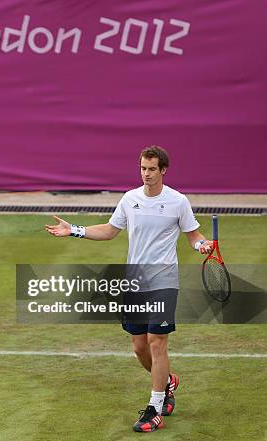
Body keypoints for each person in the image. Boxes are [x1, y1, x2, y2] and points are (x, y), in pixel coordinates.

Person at [45, 145, 213, 432]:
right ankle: (168, 382)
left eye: (151, 169)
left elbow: (193, 236)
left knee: (156, 341)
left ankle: (155, 407)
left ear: (163, 170)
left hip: (163, 280)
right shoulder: (130, 199)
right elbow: (110, 231)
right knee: (139, 347)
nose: (146, 174)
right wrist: (74, 229)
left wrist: (202, 245)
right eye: (143, 168)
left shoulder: (178, 201)